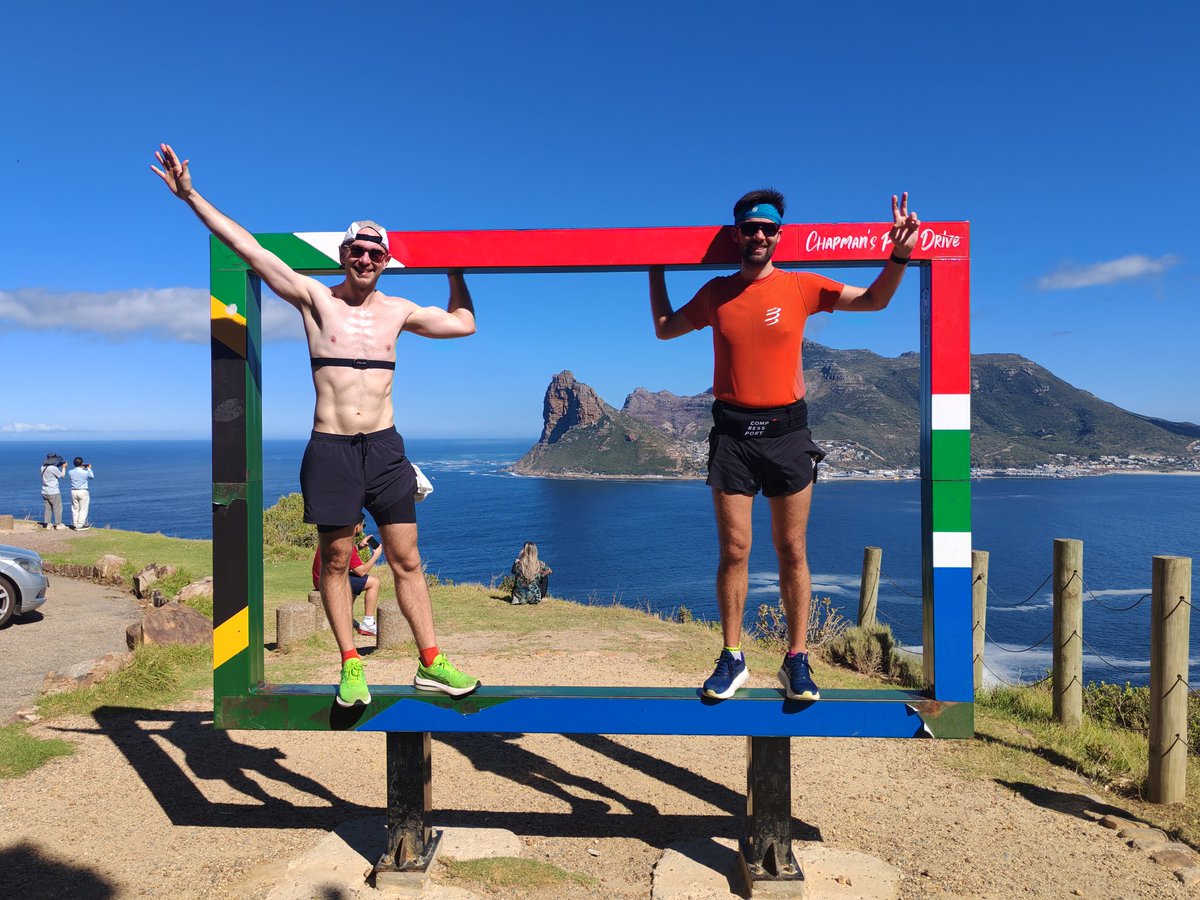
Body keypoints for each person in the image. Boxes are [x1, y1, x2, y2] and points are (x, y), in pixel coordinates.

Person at [152, 143, 481, 707]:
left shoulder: (398, 311)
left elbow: (464, 325)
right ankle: (351, 665)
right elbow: (248, 247)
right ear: (343, 253)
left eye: (376, 253)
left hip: (385, 449)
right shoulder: (314, 300)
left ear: (385, 260)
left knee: (407, 559)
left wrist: (455, 270)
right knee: (334, 560)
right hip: (330, 449)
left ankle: (432, 661)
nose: (366, 260)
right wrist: (190, 196)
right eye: (357, 251)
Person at [649, 188, 920, 701]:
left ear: (779, 235)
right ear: (737, 234)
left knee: (791, 548)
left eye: (768, 228)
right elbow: (665, 330)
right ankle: (732, 658)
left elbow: (876, 300)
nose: (758, 235)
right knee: (734, 550)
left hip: (788, 433)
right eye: (750, 227)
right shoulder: (716, 293)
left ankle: (797, 659)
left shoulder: (802, 287)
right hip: (732, 435)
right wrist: (653, 269)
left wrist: (900, 252)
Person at [40, 453, 67, 530]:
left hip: (44, 491)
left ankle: (48, 524)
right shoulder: (53, 468)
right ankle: (58, 524)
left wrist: (58, 465)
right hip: (53, 491)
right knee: (57, 508)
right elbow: (62, 475)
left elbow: (51, 470)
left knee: (48, 508)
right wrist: (64, 467)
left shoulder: (42, 467)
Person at [68, 457, 95, 530]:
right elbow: (92, 477)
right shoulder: (85, 472)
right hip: (83, 491)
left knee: (75, 508)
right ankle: (80, 525)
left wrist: (81, 468)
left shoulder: (70, 472)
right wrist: (88, 468)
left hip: (74, 491)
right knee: (83, 509)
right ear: (82, 463)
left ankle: (75, 524)